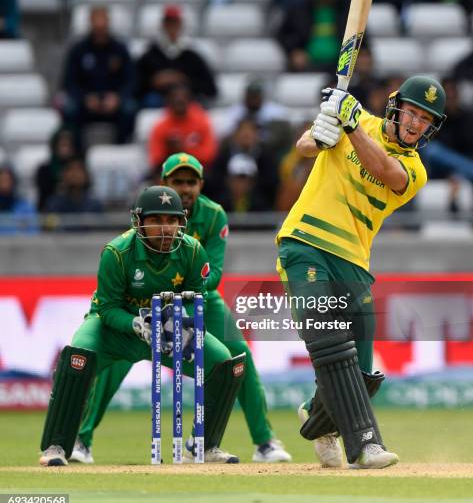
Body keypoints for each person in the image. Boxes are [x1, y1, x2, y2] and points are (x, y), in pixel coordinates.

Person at [71, 154, 291, 464]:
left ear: (201, 184)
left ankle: (263, 441)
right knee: (118, 357)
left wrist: (180, 295)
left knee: (238, 356)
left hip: (199, 297)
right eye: (177, 182)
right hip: (146, 298)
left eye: (191, 182)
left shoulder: (214, 215)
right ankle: (82, 439)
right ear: (165, 184)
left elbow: (212, 274)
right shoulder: (150, 211)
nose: (185, 189)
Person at [276, 75, 446, 468]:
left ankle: (319, 419)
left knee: (365, 373)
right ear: (396, 106)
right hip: (305, 242)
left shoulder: (414, 169)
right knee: (324, 326)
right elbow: (304, 147)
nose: (417, 123)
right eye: (413, 112)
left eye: (426, 119)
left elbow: (386, 171)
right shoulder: (359, 122)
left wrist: (349, 125)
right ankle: (365, 445)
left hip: (352, 260)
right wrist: (321, 132)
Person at [39, 185, 246, 466]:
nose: (166, 228)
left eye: (172, 220)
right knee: (78, 355)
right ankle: (56, 446)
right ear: (139, 222)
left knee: (225, 363)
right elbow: (107, 308)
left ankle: (204, 445)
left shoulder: (193, 251)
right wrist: (137, 323)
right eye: (157, 220)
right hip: (116, 331)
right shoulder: (117, 253)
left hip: (168, 332)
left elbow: (199, 298)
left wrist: (177, 321)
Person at [60, 6, 135, 146]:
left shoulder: (120, 49)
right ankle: (77, 153)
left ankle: (122, 148)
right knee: (70, 109)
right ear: (90, 21)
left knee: (129, 108)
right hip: (87, 102)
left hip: (113, 102)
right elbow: (68, 81)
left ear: (108, 21)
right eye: (96, 20)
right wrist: (84, 98)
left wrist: (117, 97)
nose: (100, 24)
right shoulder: (78, 50)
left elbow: (131, 80)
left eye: (103, 20)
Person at [135, 5, 217, 108]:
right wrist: (153, 81)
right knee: (151, 101)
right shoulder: (149, 56)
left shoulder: (192, 56)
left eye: (175, 23)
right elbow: (136, 86)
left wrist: (183, 80)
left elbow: (210, 88)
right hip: (158, 102)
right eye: (169, 23)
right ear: (163, 25)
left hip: (187, 101)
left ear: (180, 25)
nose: (172, 27)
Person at [148, 83, 217, 170]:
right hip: (169, 170)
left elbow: (209, 155)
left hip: (198, 170)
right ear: (168, 100)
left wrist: (183, 150)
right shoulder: (161, 127)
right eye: (175, 96)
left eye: (184, 96)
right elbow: (156, 159)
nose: (179, 99)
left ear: (190, 100)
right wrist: (171, 152)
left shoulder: (202, 122)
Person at [35, 126, 83, 212]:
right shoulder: (44, 170)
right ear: (55, 147)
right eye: (62, 145)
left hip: (75, 207)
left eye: (68, 145)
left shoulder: (79, 168)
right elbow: (43, 194)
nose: (65, 149)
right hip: (50, 209)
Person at [0, 163, 38, 235]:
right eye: (1, 180)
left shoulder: (25, 207)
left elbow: (33, 233)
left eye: (7, 180)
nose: (4, 183)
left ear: (13, 182)